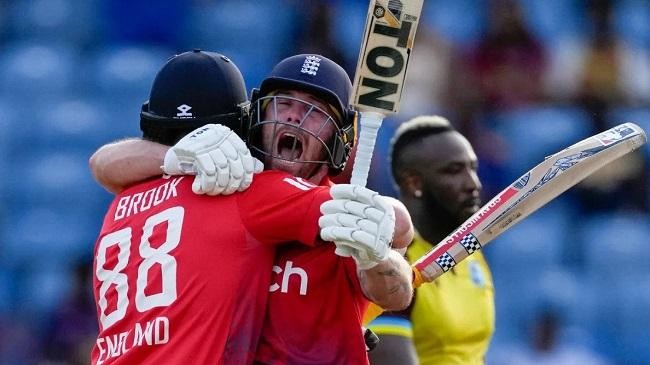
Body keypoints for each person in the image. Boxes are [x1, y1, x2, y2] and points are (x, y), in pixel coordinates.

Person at [89, 53, 415, 364]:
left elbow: (397, 290)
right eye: (282, 103)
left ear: (338, 137)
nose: (293, 116)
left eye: (315, 111)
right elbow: (101, 163)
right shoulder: (238, 191)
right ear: (255, 118)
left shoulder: (125, 198)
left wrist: (376, 254)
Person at [368, 116, 495, 365]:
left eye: (473, 168)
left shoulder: (471, 253)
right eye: (454, 171)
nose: (473, 184)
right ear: (414, 183)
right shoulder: (389, 262)